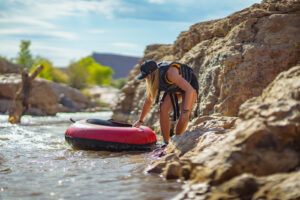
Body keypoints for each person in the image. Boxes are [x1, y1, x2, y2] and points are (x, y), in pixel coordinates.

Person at [133, 60, 199, 146]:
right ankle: (165, 143)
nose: (146, 78)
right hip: (174, 87)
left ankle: (177, 140)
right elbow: (148, 101)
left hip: (189, 86)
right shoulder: (153, 78)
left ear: (152, 73)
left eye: (146, 76)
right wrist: (140, 120)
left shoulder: (170, 73)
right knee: (163, 108)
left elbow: (189, 90)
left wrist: (186, 111)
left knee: (184, 113)